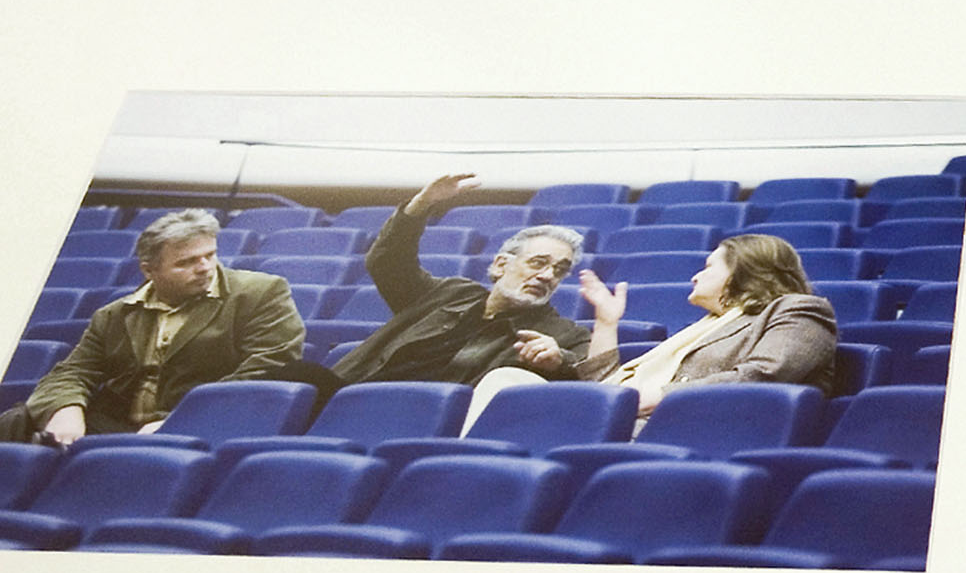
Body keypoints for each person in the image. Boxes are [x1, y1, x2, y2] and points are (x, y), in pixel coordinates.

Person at [0, 209, 304, 447]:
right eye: (186, 262)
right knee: (18, 421)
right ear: (149, 270)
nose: (204, 268)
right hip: (116, 425)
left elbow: (270, 366)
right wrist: (65, 410)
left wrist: (182, 418)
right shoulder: (115, 314)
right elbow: (72, 372)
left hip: (201, 424)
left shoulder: (261, 292)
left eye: (210, 255)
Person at [327, 174, 590, 390]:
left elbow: (592, 378)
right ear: (501, 265)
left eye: (559, 270)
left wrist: (559, 362)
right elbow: (387, 263)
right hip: (353, 391)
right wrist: (420, 205)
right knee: (296, 377)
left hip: (434, 414)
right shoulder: (448, 293)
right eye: (537, 262)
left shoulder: (563, 333)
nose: (547, 275)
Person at [556, 233, 839, 421]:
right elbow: (605, 385)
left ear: (743, 270)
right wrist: (606, 323)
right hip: (633, 424)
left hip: (695, 432)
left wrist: (659, 398)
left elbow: (763, 377)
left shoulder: (799, 309)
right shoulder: (706, 327)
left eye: (707, 267)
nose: (694, 277)